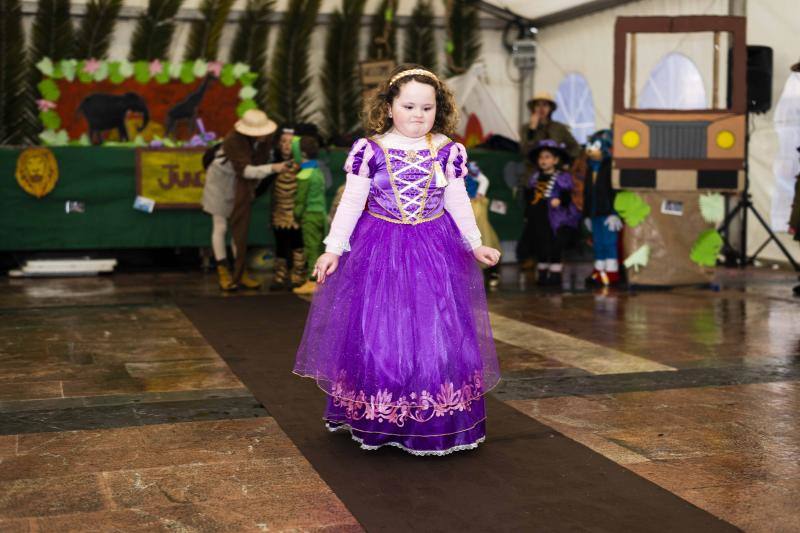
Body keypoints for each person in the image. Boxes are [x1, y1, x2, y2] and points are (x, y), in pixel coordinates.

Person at [293, 64, 502, 456]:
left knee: (437, 329)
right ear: (389, 107)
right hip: (380, 249)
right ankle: (382, 415)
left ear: (438, 109)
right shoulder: (369, 150)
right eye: (409, 106)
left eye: (427, 107)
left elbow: (457, 199)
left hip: (435, 249)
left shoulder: (448, 150)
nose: (418, 115)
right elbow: (352, 202)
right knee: (380, 330)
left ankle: (435, 417)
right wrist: (333, 248)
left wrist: (475, 243)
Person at [202, 109, 289, 290]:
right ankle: (223, 270)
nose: (263, 135)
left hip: (242, 187)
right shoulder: (233, 141)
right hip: (219, 184)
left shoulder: (264, 142)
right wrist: (273, 168)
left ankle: (240, 271)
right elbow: (246, 171)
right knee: (220, 226)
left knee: (240, 230)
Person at [522, 140, 581, 287]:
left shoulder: (562, 177)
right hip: (538, 216)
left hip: (555, 218)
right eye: (541, 157)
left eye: (547, 157)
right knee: (540, 244)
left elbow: (568, 196)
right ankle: (542, 273)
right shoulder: (534, 177)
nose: (543, 160)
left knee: (555, 245)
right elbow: (529, 197)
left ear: (555, 160)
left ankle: (555, 274)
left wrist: (560, 200)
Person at [582, 129, 622, 287]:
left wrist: (615, 212)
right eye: (589, 146)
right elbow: (587, 193)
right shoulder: (590, 167)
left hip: (608, 213)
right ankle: (599, 271)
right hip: (594, 212)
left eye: (595, 146)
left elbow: (617, 191)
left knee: (609, 242)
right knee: (598, 243)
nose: (591, 150)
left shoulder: (611, 167)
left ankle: (611, 273)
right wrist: (586, 214)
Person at [269, 128, 305, 291]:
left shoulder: (302, 165)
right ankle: (280, 275)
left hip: (296, 213)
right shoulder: (275, 165)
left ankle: (298, 274)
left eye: (291, 142)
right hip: (280, 213)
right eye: (283, 141)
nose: (286, 145)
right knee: (281, 244)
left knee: (297, 243)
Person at [291, 135, 327, 295]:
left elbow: (300, 201)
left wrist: (296, 215)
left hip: (310, 216)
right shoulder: (318, 171)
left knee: (311, 247)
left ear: (302, 154)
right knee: (319, 247)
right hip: (321, 214)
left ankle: (313, 281)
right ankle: (320, 280)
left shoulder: (304, 175)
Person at [520, 91, 581, 166]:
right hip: (533, 169)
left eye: (545, 105)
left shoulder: (559, 127)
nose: (541, 109)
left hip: (556, 169)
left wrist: (563, 158)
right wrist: (532, 130)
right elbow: (524, 151)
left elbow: (575, 147)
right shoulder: (525, 128)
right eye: (538, 105)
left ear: (550, 108)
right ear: (533, 108)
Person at [466, 160, 502, 287]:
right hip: (456, 205)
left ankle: (492, 270)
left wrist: (479, 193)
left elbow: (484, 180)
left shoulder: (467, 166)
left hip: (473, 204)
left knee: (481, 232)